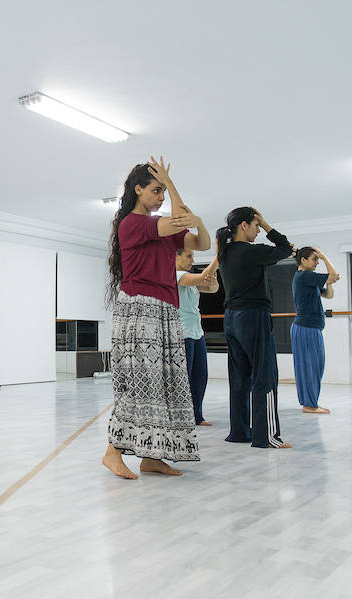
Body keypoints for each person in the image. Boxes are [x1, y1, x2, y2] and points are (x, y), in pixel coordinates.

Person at [102, 157, 211, 479]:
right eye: (156, 190)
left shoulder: (162, 228)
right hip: (139, 308)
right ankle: (112, 452)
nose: (161, 197)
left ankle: (152, 456)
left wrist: (199, 220)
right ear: (138, 190)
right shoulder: (133, 224)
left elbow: (201, 242)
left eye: (164, 191)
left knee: (166, 384)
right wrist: (174, 186)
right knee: (141, 383)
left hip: (165, 309)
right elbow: (179, 221)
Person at [215, 207, 293, 449]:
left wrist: (262, 222)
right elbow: (287, 249)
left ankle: (239, 432)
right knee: (264, 375)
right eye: (256, 225)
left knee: (239, 377)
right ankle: (266, 436)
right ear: (244, 225)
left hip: (231, 319)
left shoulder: (225, 253)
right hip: (253, 317)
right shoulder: (251, 252)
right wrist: (269, 225)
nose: (258, 230)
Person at [290, 247, 340, 414]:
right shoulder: (305, 275)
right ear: (303, 260)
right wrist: (325, 257)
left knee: (314, 366)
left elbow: (329, 295)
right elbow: (334, 276)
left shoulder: (308, 279)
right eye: (314, 259)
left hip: (309, 328)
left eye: (318, 259)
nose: (317, 262)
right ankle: (309, 405)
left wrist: (328, 282)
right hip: (306, 328)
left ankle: (309, 403)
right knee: (310, 367)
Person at [175, 249, 219, 425]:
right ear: (175, 256)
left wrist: (212, 280)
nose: (192, 260)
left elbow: (212, 289)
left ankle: (197, 415)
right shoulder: (175, 275)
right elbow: (203, 279)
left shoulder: (190, 278)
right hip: (182, 333)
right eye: (189, 256)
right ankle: (182, 416)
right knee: (184, 376)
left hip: (197, 332)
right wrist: (218, 256)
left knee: (200, 376)